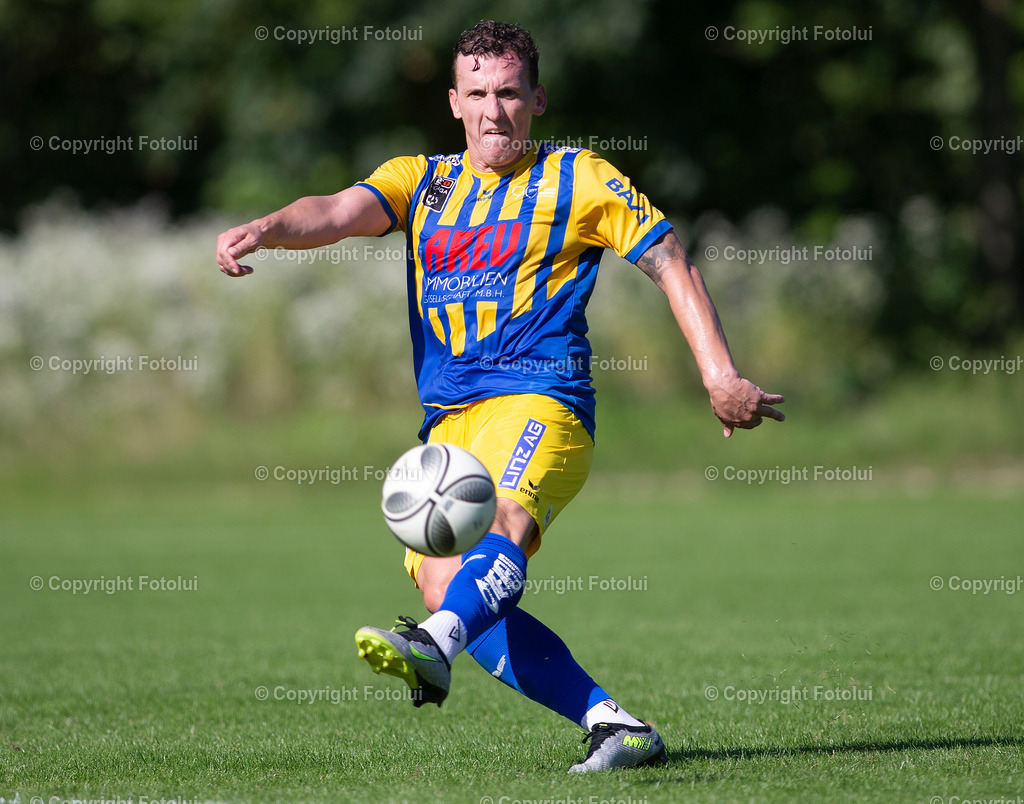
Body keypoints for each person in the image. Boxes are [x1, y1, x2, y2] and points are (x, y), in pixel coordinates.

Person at [215, 20, 784, 773]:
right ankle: (615, 725)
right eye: (478, 93)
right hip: (449, 427)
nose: (494, 110)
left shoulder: (577, 177)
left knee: (503, 530)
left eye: (510, 92)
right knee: (452, 589)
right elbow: (337, 211)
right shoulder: (422, 181)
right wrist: (268, 227)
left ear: (537, 99)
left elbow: (668, 257)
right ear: (454, 102)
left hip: (543, 400)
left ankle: (433, 648)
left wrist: (719, 375)